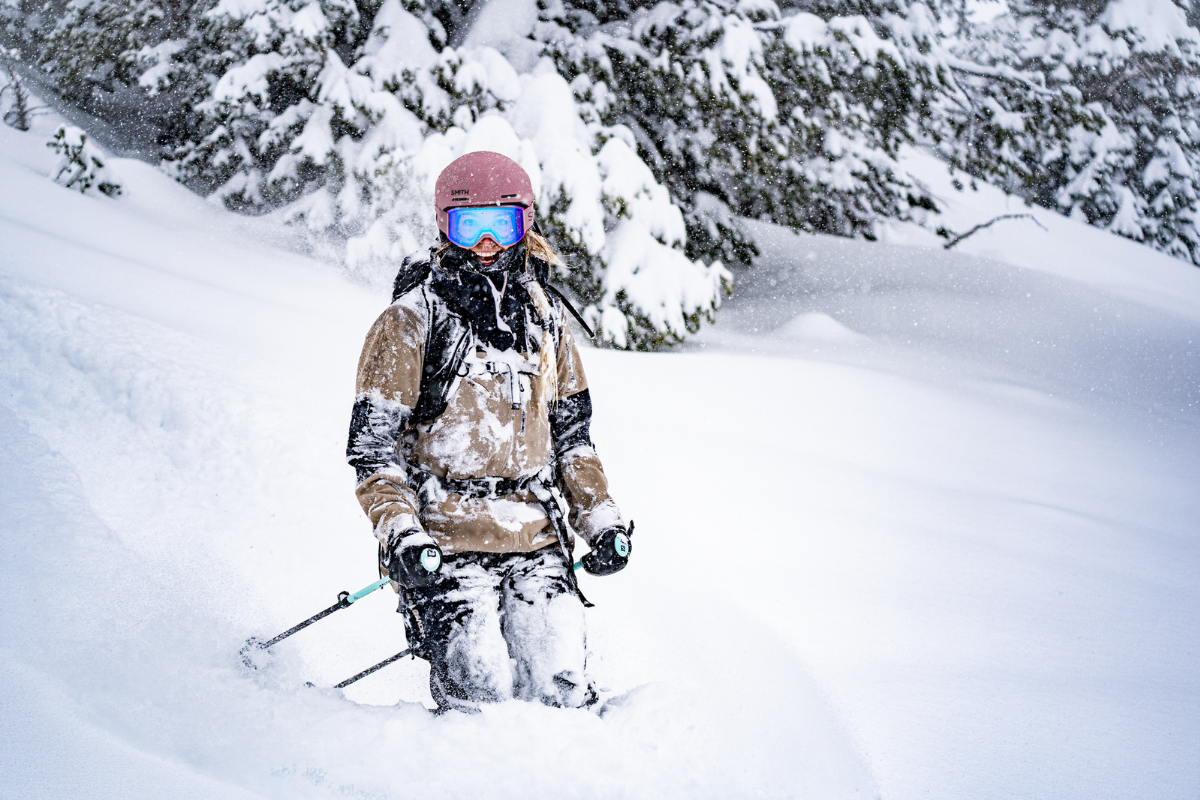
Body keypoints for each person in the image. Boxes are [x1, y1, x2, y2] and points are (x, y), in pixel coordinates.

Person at [346, 151, 632, 713]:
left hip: (536, 535)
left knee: (560, 694)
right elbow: (373, 450)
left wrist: (599, 518)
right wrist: (402, 534)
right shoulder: (410, 320)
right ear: (443, 226)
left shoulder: (546, 319)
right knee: (480, 696)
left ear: (523, 225)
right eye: (467, 224)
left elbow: (573, 437)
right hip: (444, 539)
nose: (485, 242)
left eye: (500, 225)